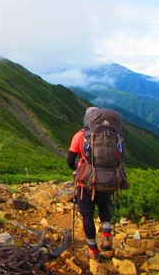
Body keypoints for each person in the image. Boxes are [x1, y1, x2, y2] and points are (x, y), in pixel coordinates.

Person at [67, 107, 114, 260]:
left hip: (86, 183)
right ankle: (107, 236)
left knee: (87, 215)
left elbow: (69, 160)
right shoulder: (110, 135)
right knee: (104, 206)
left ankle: (93, 251)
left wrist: (80, 168)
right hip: (106, 178)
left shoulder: (80, 135)